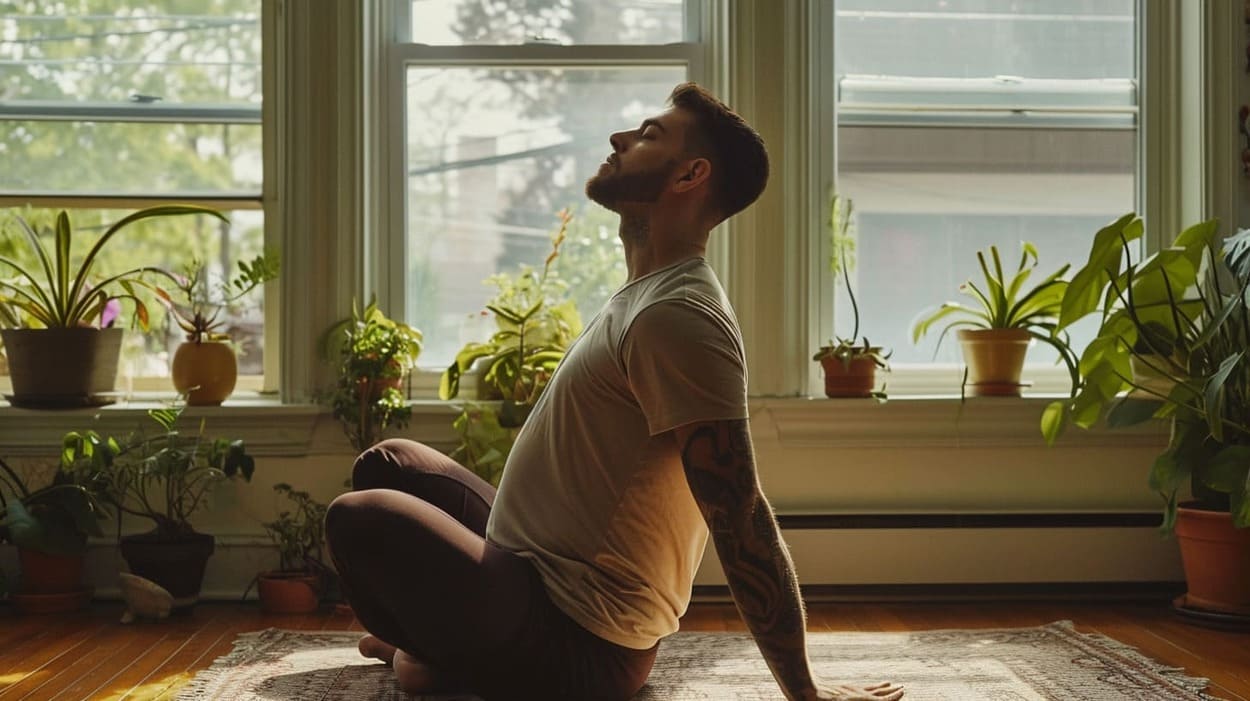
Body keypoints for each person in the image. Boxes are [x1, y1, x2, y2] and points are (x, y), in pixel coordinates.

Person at [325, 83, 905, 701]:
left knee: (360, 521)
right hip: (528, 572)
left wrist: (804, 691)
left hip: (578, 636)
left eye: (649, 134)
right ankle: (435, 645)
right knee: (388, 465)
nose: (619, 139)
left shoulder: (681, 314)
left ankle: (428, 656)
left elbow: (739, 513)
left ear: (690, 175)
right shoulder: (643, 293)